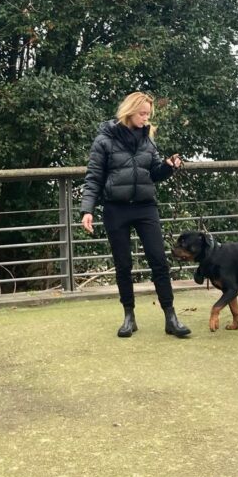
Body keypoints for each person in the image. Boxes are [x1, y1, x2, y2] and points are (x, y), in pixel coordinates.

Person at [80, 92, 191, 338]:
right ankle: (129, 316)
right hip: (115, 209)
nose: (146, 118)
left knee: (159, 260)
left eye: (148, 114)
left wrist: (169, 166)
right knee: (123, 265)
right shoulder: (104, 140)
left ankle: (171, 317)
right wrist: (87, 210)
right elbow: (94, 177)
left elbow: (154, 173)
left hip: (145, 207)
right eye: (142, 114)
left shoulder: (147, 140)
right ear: (129, 112)